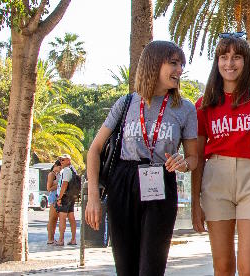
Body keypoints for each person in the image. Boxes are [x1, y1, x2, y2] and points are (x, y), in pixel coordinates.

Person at [84, 41, 198, 275]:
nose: (179, 70)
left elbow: (195, 157)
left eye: (181, 65)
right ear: (153, 64)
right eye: (173, 63)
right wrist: (93, 197)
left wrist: (184, 163)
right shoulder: (126, 103)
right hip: (123, 182)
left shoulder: (185, 108)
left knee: (151, 268)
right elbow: (94, 149)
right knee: (126, 268)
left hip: (161, 184)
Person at [191, 32, 250, 276]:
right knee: (222, 266)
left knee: (248, 267)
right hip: (215, 179)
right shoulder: (204, 103)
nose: (229, 63)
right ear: (217, 61)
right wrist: (195, 203)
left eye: (236, 57)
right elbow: (198, 157)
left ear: (246, 61)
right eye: (223, 57)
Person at [55, 154, 77, 246]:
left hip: (65, 197)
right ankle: (73, 239)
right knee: (71, 218)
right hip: (71, 197)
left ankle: (61, 240)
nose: (61, 162)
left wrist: (59, 198)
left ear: (68, 161)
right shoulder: (72, 170)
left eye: (63, 160)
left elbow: (64, 184)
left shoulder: (67, 171)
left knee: (62, 218)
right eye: (60, 160)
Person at [46, 161, 63, 245]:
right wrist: (60, 185)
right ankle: (50, 238)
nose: (60, 170)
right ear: (55, 166)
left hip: (57, 196)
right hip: (53, 197)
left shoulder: (57, 174)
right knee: (52, 218)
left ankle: (52, 238)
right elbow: (49, 188)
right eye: (60, 168)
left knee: (55, 219)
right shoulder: (51, 174)